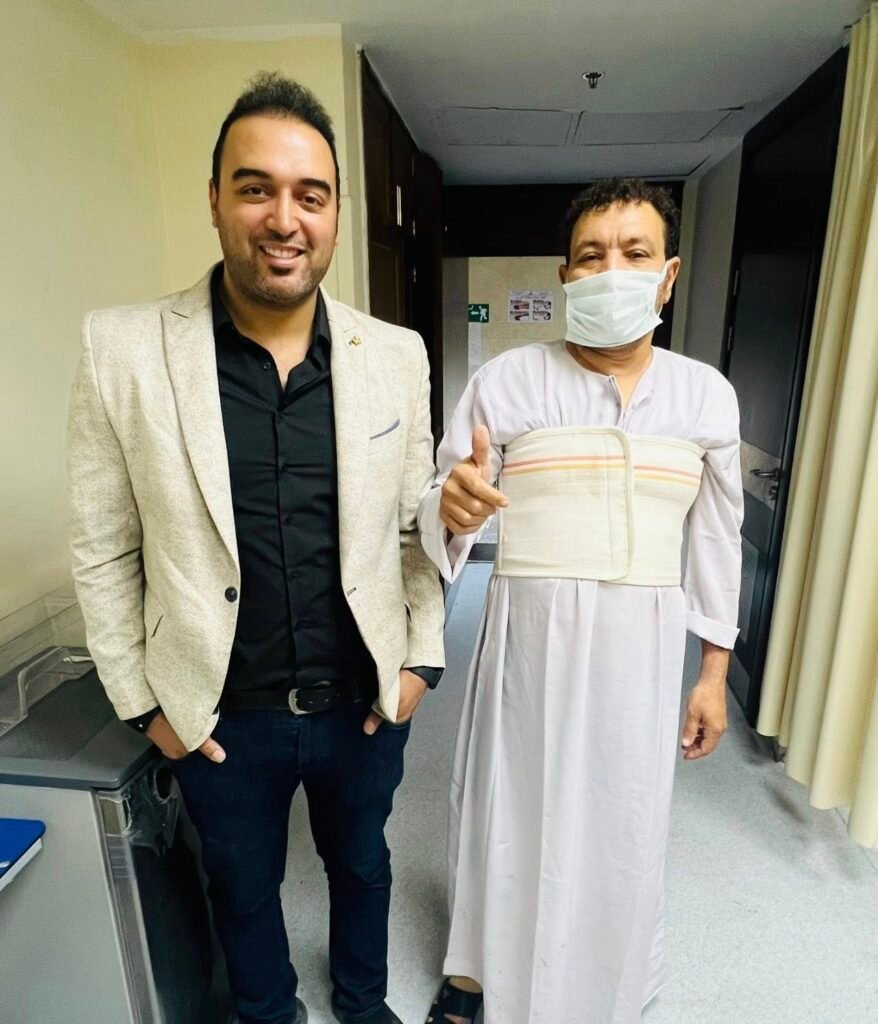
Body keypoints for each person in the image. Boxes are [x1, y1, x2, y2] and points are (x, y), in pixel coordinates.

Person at [68, 72, 445, 1024]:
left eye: (310, 195)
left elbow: (413, 531)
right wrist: (146, 706)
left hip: (363, 701)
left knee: (363, 866)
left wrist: (422, 664)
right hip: (217, 712)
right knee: (240, 889)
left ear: (336, 213)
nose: (284, 219)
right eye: (255, 188)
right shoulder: (122, 349)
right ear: (215, 200)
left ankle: (363, 1004)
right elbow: (103, 548)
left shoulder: (394, 354)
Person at [418, 178, 743, 1024]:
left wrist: (712, 673)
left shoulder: (705, 396)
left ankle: (603, 984)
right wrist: (449, 507)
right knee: (508, 805)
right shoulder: (508, 381)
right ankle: (478, 974)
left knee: (622, 815)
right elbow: (442, 498)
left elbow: (716, 540)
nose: (612, 270)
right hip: (528, 638)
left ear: (668, 275)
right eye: (591, 256)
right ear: (566, 277)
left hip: (643, 643)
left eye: (635, 253)